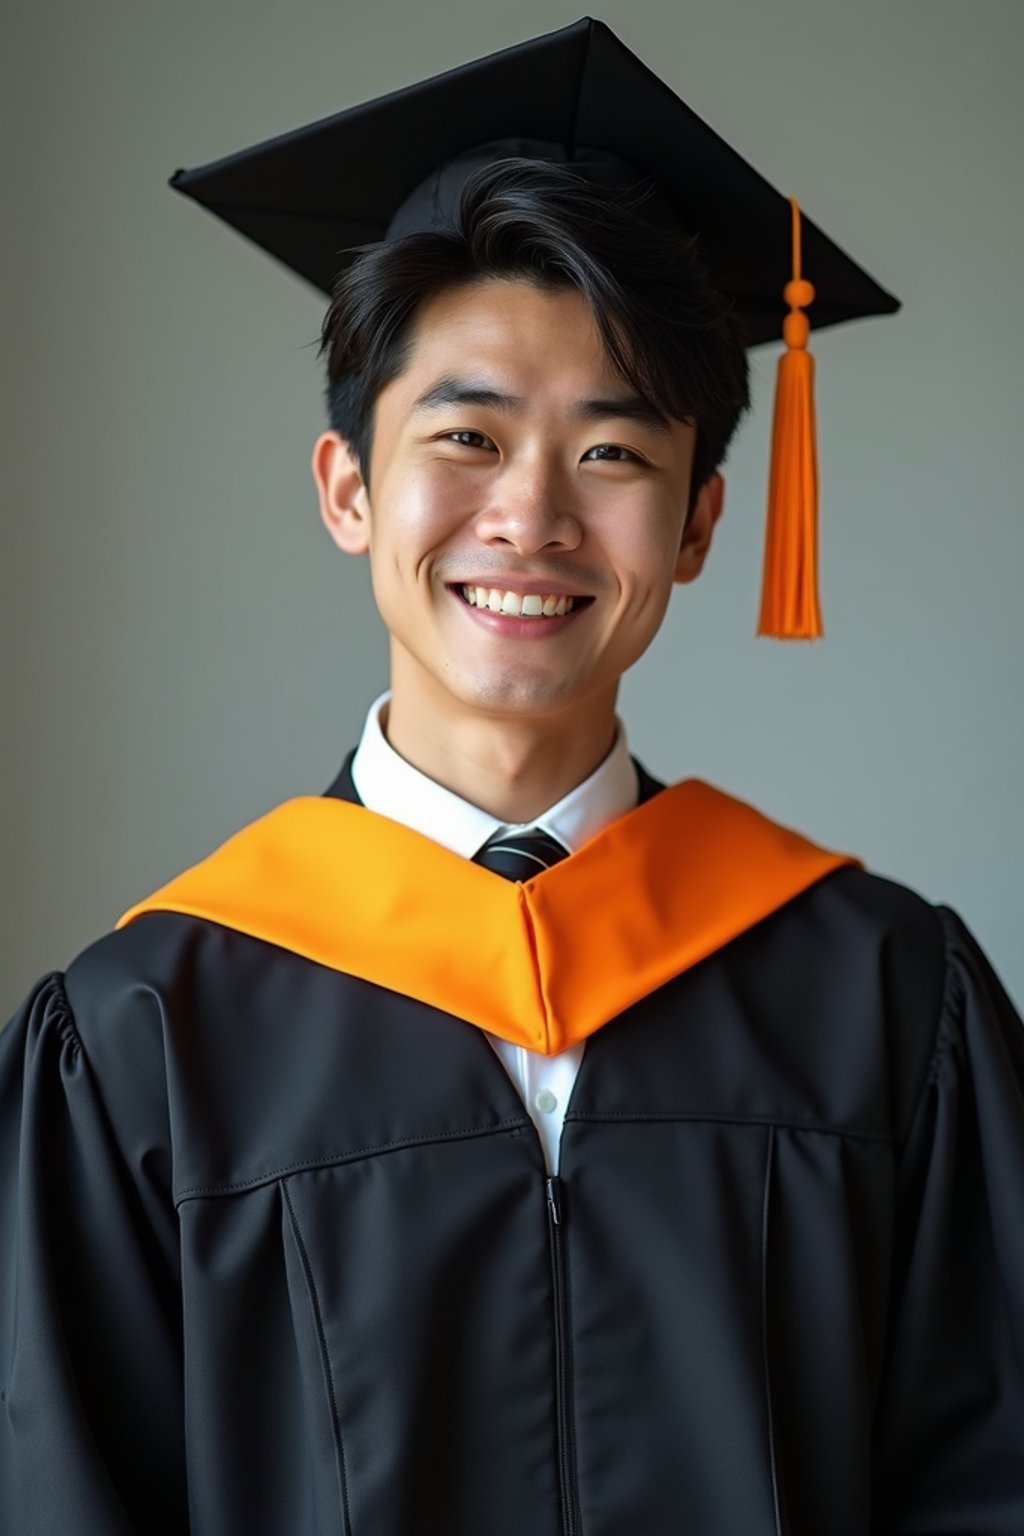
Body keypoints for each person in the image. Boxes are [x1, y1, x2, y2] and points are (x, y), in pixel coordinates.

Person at [2, 18, 1022, 1536]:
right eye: (467, 435)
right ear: (350, 488)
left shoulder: (885, 1000)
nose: (531, 516)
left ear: (695, 525)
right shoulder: (148, 1035)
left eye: (611, 454)